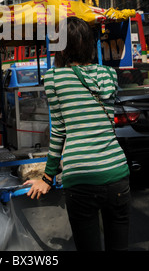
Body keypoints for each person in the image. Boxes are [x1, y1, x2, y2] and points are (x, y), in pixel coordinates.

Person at [24, 16, 131, 251]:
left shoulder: (54, 78)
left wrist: (47, 178)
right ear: (89, 44)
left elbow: (59, 133)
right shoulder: (109, 75)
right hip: (118, 173)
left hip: (81, 179)